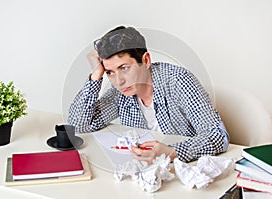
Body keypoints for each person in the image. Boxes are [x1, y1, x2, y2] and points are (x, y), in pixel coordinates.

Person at [68, 26, 229, 164]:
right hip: (146, 173)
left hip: (187, 169)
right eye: (110, 72)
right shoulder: (121, 92)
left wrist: (172, 152)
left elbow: (218, 135)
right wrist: (96, 75)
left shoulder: (178, 80)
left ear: (145, 60)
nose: (118, 81)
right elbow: (80, 125)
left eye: (124, 68)